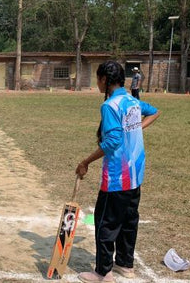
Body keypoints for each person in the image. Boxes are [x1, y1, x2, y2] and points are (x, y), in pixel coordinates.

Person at [75, 61, 160, 283]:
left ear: (104, 79)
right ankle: (125, 264)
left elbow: (112, 140)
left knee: (106, 223)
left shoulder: (110, 105)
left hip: (117, 177)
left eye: (98, 78)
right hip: (136, 174)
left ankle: (103, 273)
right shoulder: (132, 100)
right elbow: (154, 112)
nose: (97, 83)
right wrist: (136, 129)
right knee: (129, 220)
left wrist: (85, 162)